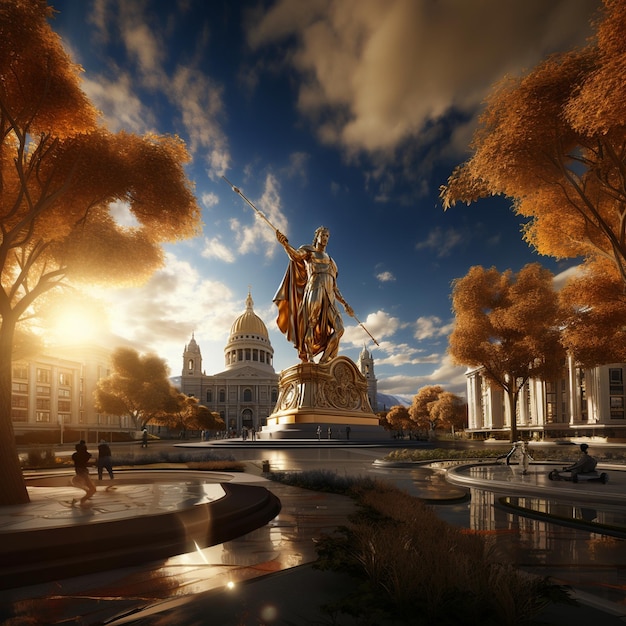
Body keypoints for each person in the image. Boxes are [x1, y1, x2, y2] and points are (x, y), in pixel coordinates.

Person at [274, 226, 353, 364]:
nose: (325, 238)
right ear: (317, 236)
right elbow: (296, 256)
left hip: (329, 297)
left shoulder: (331, 262)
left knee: (339, 328)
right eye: (323, 235)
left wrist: (345, 304)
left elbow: (335, 287)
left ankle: (324, 361)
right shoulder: (309, 251)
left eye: (327, 236)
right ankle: (310, 357)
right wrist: (285, 245)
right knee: (311, 324)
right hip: (314, 290)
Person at [71, 441, 96, 507]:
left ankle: (81, 499)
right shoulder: (85, 456)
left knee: (89, 489)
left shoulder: (75, 455)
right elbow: (88, 455)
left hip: (79, 473)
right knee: (92, 490)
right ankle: (81, 500)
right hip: (83, 473)